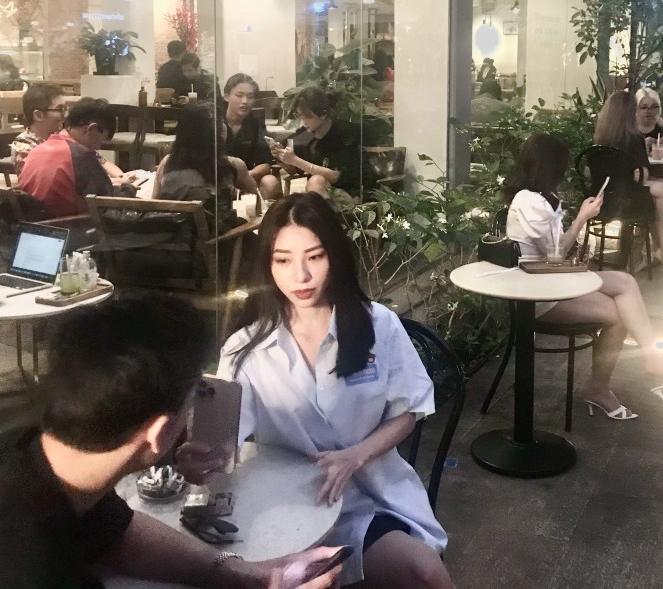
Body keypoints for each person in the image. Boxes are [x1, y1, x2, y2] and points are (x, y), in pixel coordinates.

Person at [177, 194, 455, 589]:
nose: (301, 276)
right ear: (267, 265)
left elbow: (408, 411)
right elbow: (224, 439)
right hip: (286, 508)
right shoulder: (245, 348)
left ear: (334, 256)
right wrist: (201, 461)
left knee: (425, 572)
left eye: (315, 256)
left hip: (368, 498)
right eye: (283, 260)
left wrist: (357, 455)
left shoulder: (378, 326)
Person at [0, 296, 342, 588]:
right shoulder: (34, 569)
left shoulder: (42, 460)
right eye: (191, 404)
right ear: (161, 432)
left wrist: (256, 575)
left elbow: (115, 533)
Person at [505, 133, 663, 419]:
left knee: (625, 281)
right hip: (539, 294)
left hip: (553, 278)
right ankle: (600, 388)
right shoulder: (529, 202)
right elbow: (554, 254)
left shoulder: (539, 198)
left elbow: (555, 253)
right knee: (619, 314)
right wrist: (581, 219)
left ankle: (652, 357)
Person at [594, 91, 663, 265]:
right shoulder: (634, 139)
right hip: (628, 202)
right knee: (658, 193)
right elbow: (642, 175)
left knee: (658, 190)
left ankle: (652, 252)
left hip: (603, 199)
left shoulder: (600, 138)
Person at [19, 98, 136, 217]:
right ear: (92, 129)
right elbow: (109, 202)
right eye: (101, 140)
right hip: (66, 224)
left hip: (33, 221)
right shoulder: (81, 156)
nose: (98, 147)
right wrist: (129, 189)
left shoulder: (37, 150)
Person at [153, 103, 258, 228]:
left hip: (172, 236)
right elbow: (257, 201)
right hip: (217, 238)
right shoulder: (233, 165)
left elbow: (154, 205)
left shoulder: (167, 163)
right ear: (218, 133)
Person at [272, 86, 375, 204]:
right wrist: (282, 158)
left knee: (316, 181)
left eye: (308, 117)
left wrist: (295, 160)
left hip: (351, 193)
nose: (303, 122)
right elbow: (294, 170)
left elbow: (336, 176)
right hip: (321, 194)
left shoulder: (344, 133)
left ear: (323, 114)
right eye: (300, 116)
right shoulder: (305, 134)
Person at [222, 73, 278, 200]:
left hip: (247, 178)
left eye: (250, 97)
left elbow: (265, 164)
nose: (245, 101)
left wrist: (244, 177)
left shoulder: (255, 123)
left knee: (270, 182)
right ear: (226, 96)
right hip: (217, 178)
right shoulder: (214, 121)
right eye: (239, 95)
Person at [9, 82, 65, 172]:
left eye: (65, 108)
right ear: (38, 115)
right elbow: (49, 175)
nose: (65, 114)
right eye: (59, 109)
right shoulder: (23, 146)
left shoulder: (59, 137)